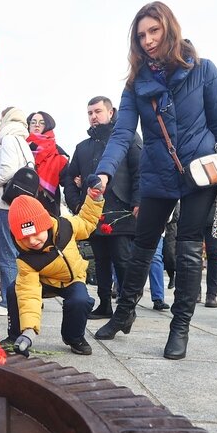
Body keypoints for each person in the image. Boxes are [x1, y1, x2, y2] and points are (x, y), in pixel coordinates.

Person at [93, 1, 217, 361]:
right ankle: (124, 311)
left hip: (200, 172)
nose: (147, 40)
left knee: (191, 247)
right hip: (158, 170)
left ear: (169, 29)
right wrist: (105, 170)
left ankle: (180, 327)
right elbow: (121, 134)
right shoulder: (135, 85)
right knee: (143, 243)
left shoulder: (204, 71)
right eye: (141, 35)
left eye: (154, 31)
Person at [62, 96, 141, 318]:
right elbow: (69, 178)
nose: (94, 116)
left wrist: (138, 201)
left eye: (98, 111)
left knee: (122, 260)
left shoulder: (128, 139)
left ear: (111, 112)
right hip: (92, 213)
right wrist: (76, 204)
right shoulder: (82, 147)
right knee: (100, 261)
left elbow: (140, 172)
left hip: (122, 210)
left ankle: (127, 308)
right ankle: (105, 304)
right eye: (90, 113)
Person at [1, 185, 103, 357]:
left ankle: (74, 337)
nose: (32, 241)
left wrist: (95, 199)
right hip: (44, 281)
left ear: (45, 224)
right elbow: (29, 294)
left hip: (72, 279)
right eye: (24, 238)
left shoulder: (66, 227)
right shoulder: (27, 259)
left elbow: (87, 223)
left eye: (35, 233)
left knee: (80, 301)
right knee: (15, 290)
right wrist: (29, 332)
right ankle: (16, 336)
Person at [0, 107, 35, 316]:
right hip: (22, 204)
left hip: (6, 204)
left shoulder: (9, 139)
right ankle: (22, 299)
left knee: (6, 254)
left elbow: (7, 171)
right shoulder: (24, 142)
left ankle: (8, 302)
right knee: (19, 252)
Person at [26, 111, 69, 216]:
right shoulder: (21, 147)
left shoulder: (58, 152)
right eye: (33, 122)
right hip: (23, 205)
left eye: (42, 123)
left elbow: (68, 181)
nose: (37, 125)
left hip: (48, 207)